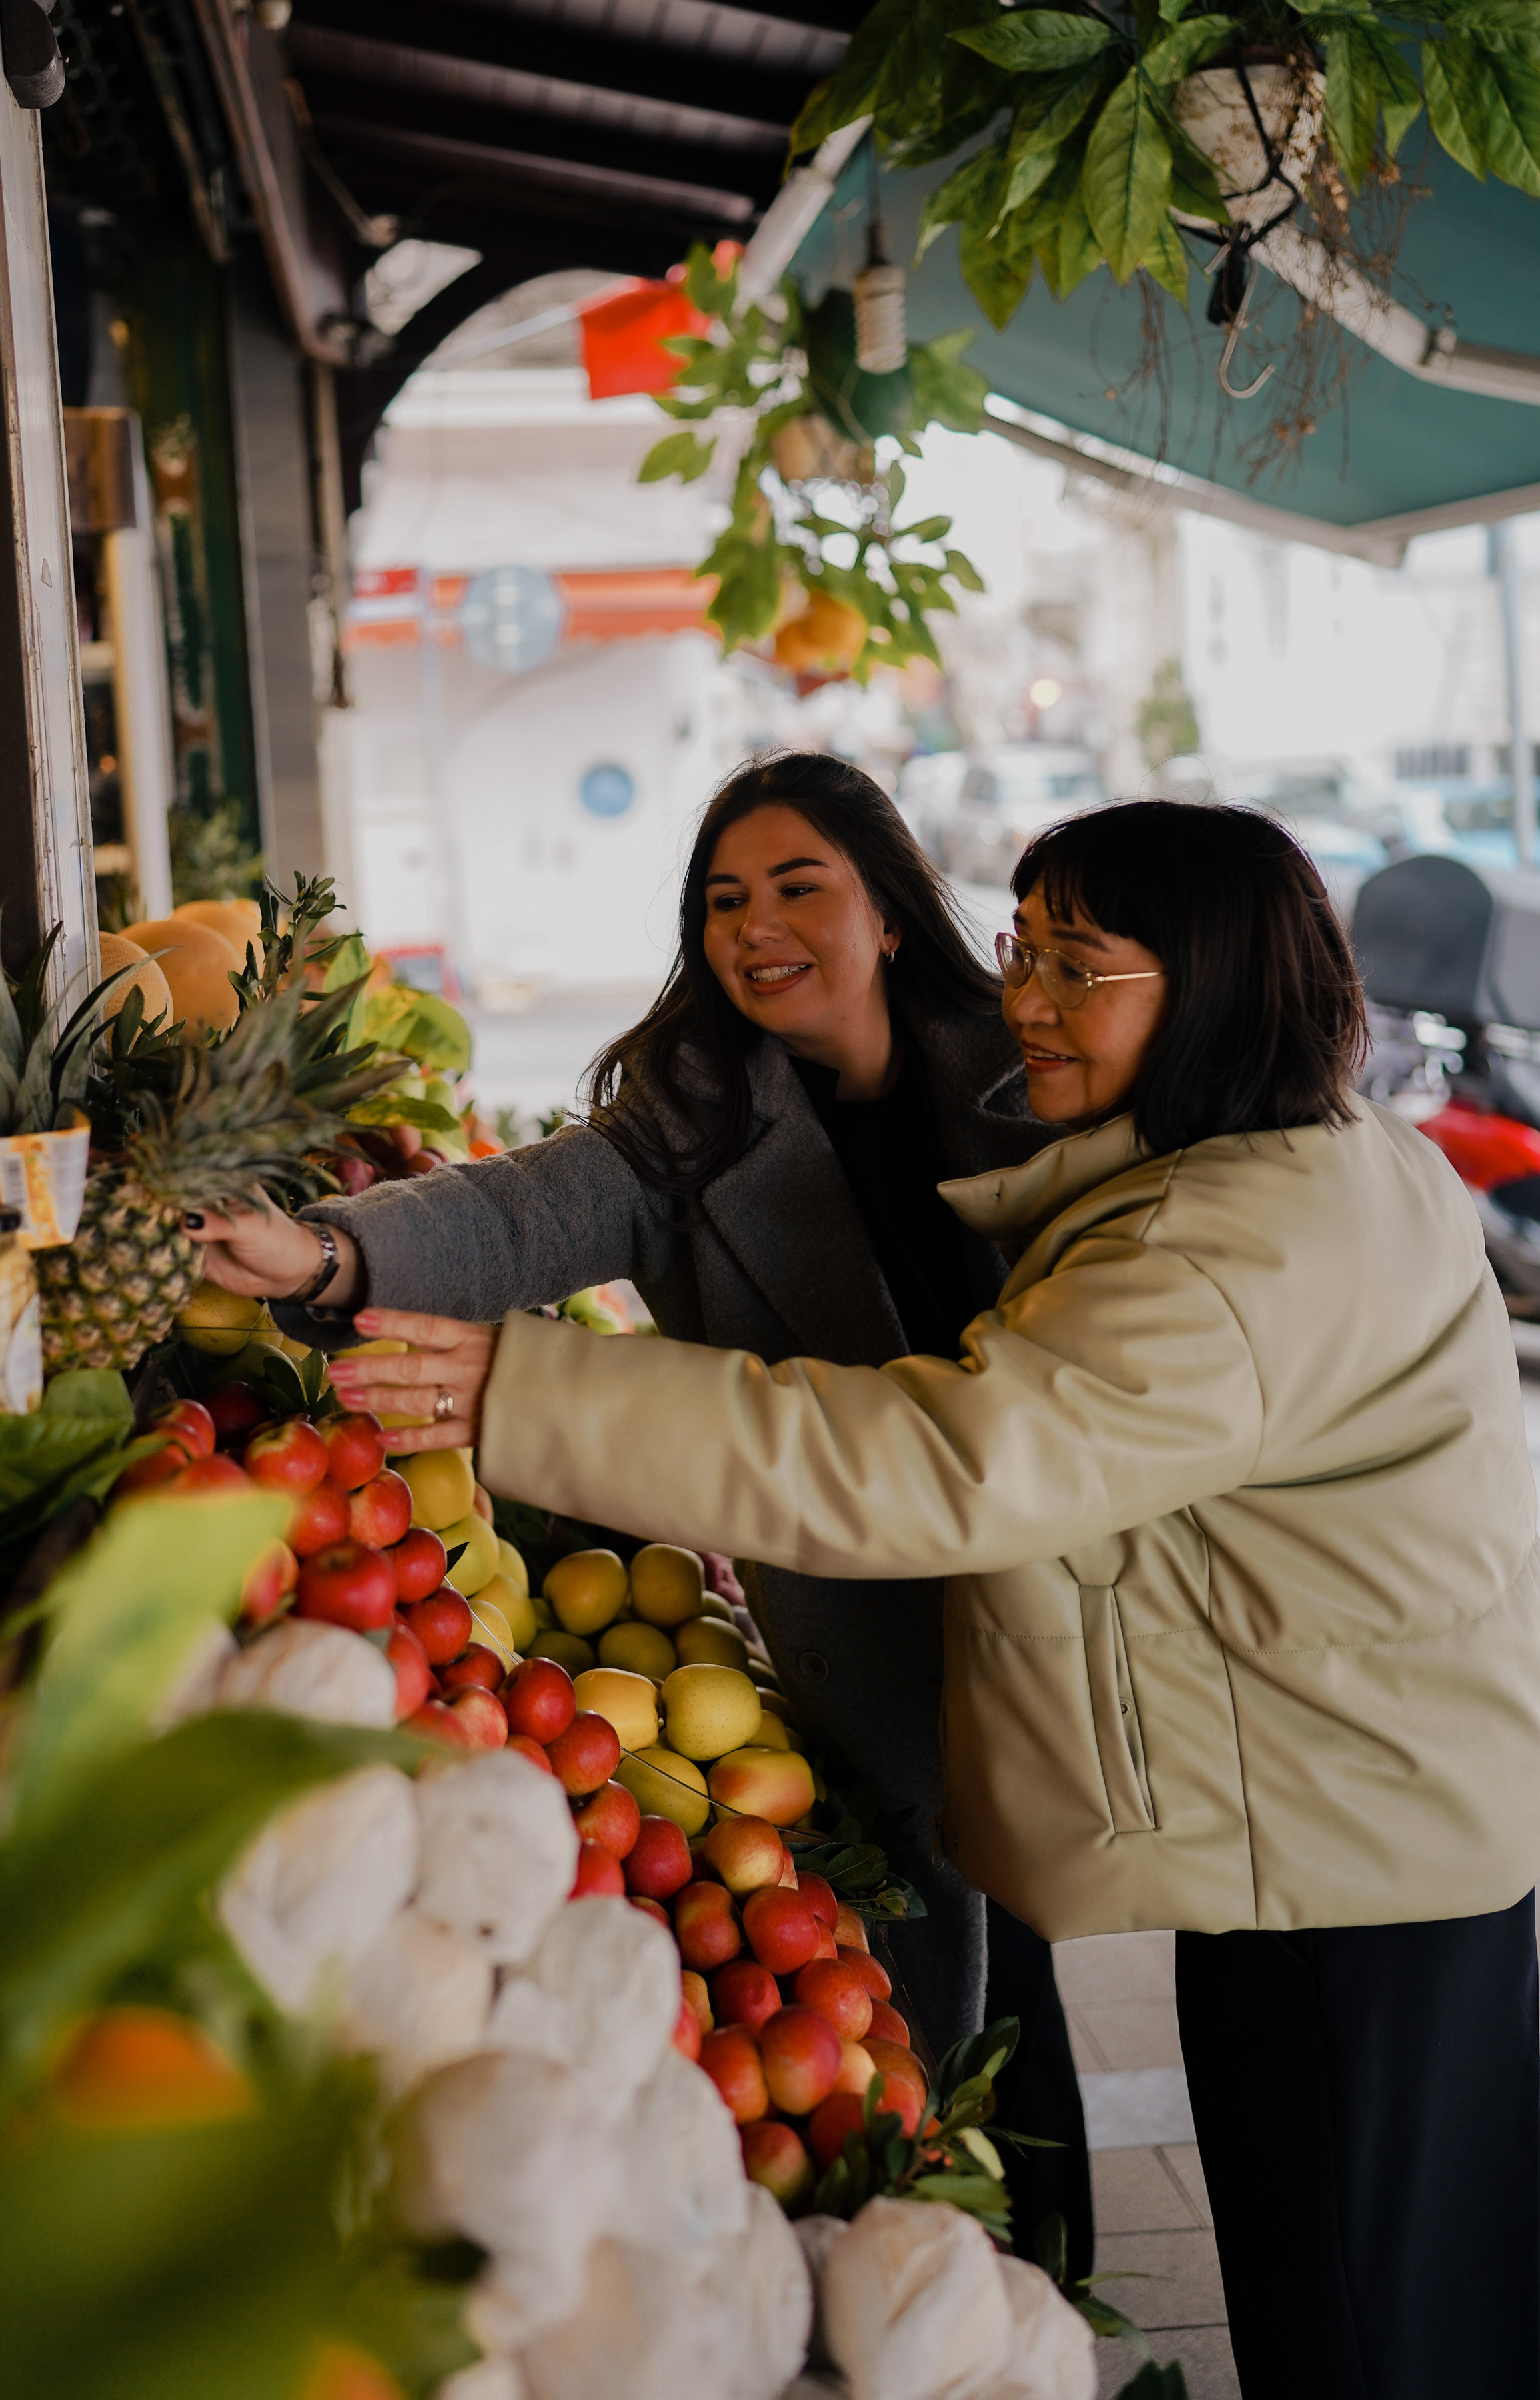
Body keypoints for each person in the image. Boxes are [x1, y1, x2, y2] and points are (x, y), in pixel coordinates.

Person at [333, 800, 1540, 2400]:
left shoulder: (1225, 1244)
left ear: (1216, 983)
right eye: (1021, 948)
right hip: (1357, 1824)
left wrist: (525, 1393)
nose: (1025, 996)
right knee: (1394, 2291)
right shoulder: (1297, 1153)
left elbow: (945, 1457)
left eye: (1074, 964)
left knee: (1361, 2321)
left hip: (1349, 1860)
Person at [186, 751, 1095, 2270]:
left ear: (886, 906)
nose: (757, 924)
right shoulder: (694, 1122)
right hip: (865, 1628)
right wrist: (329, 1258)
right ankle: (962, 2270)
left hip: (1049, 1607)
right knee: (933, 1979)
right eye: (724, 900)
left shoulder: (1026, 1084)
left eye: (798, 885)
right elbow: (520, 1206)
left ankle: (1054, 2276)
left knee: (1040, 1955)